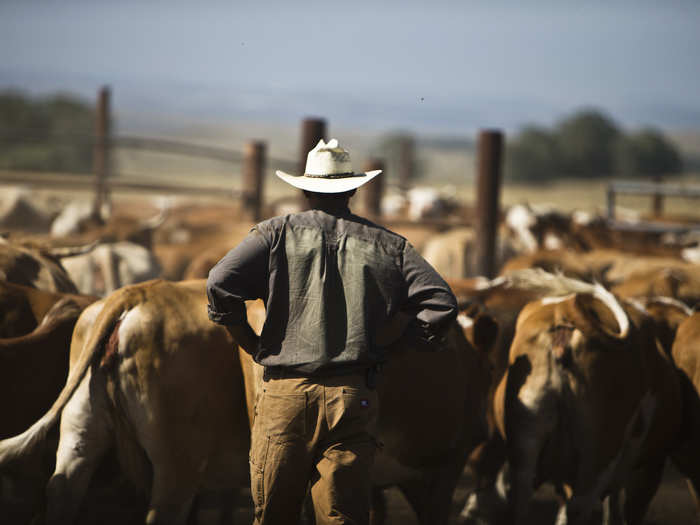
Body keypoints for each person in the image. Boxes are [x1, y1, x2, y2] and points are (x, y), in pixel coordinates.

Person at [206, 138, 458, 525]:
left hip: (285, 394)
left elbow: (220, 282)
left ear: (305, 189)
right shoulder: (390, 245)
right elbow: (441, 303)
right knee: (342, 516)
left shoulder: (273, 235)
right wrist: (392, 346)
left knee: (273, 514)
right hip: (352, 394)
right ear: (353, 190)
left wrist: (250, 343)